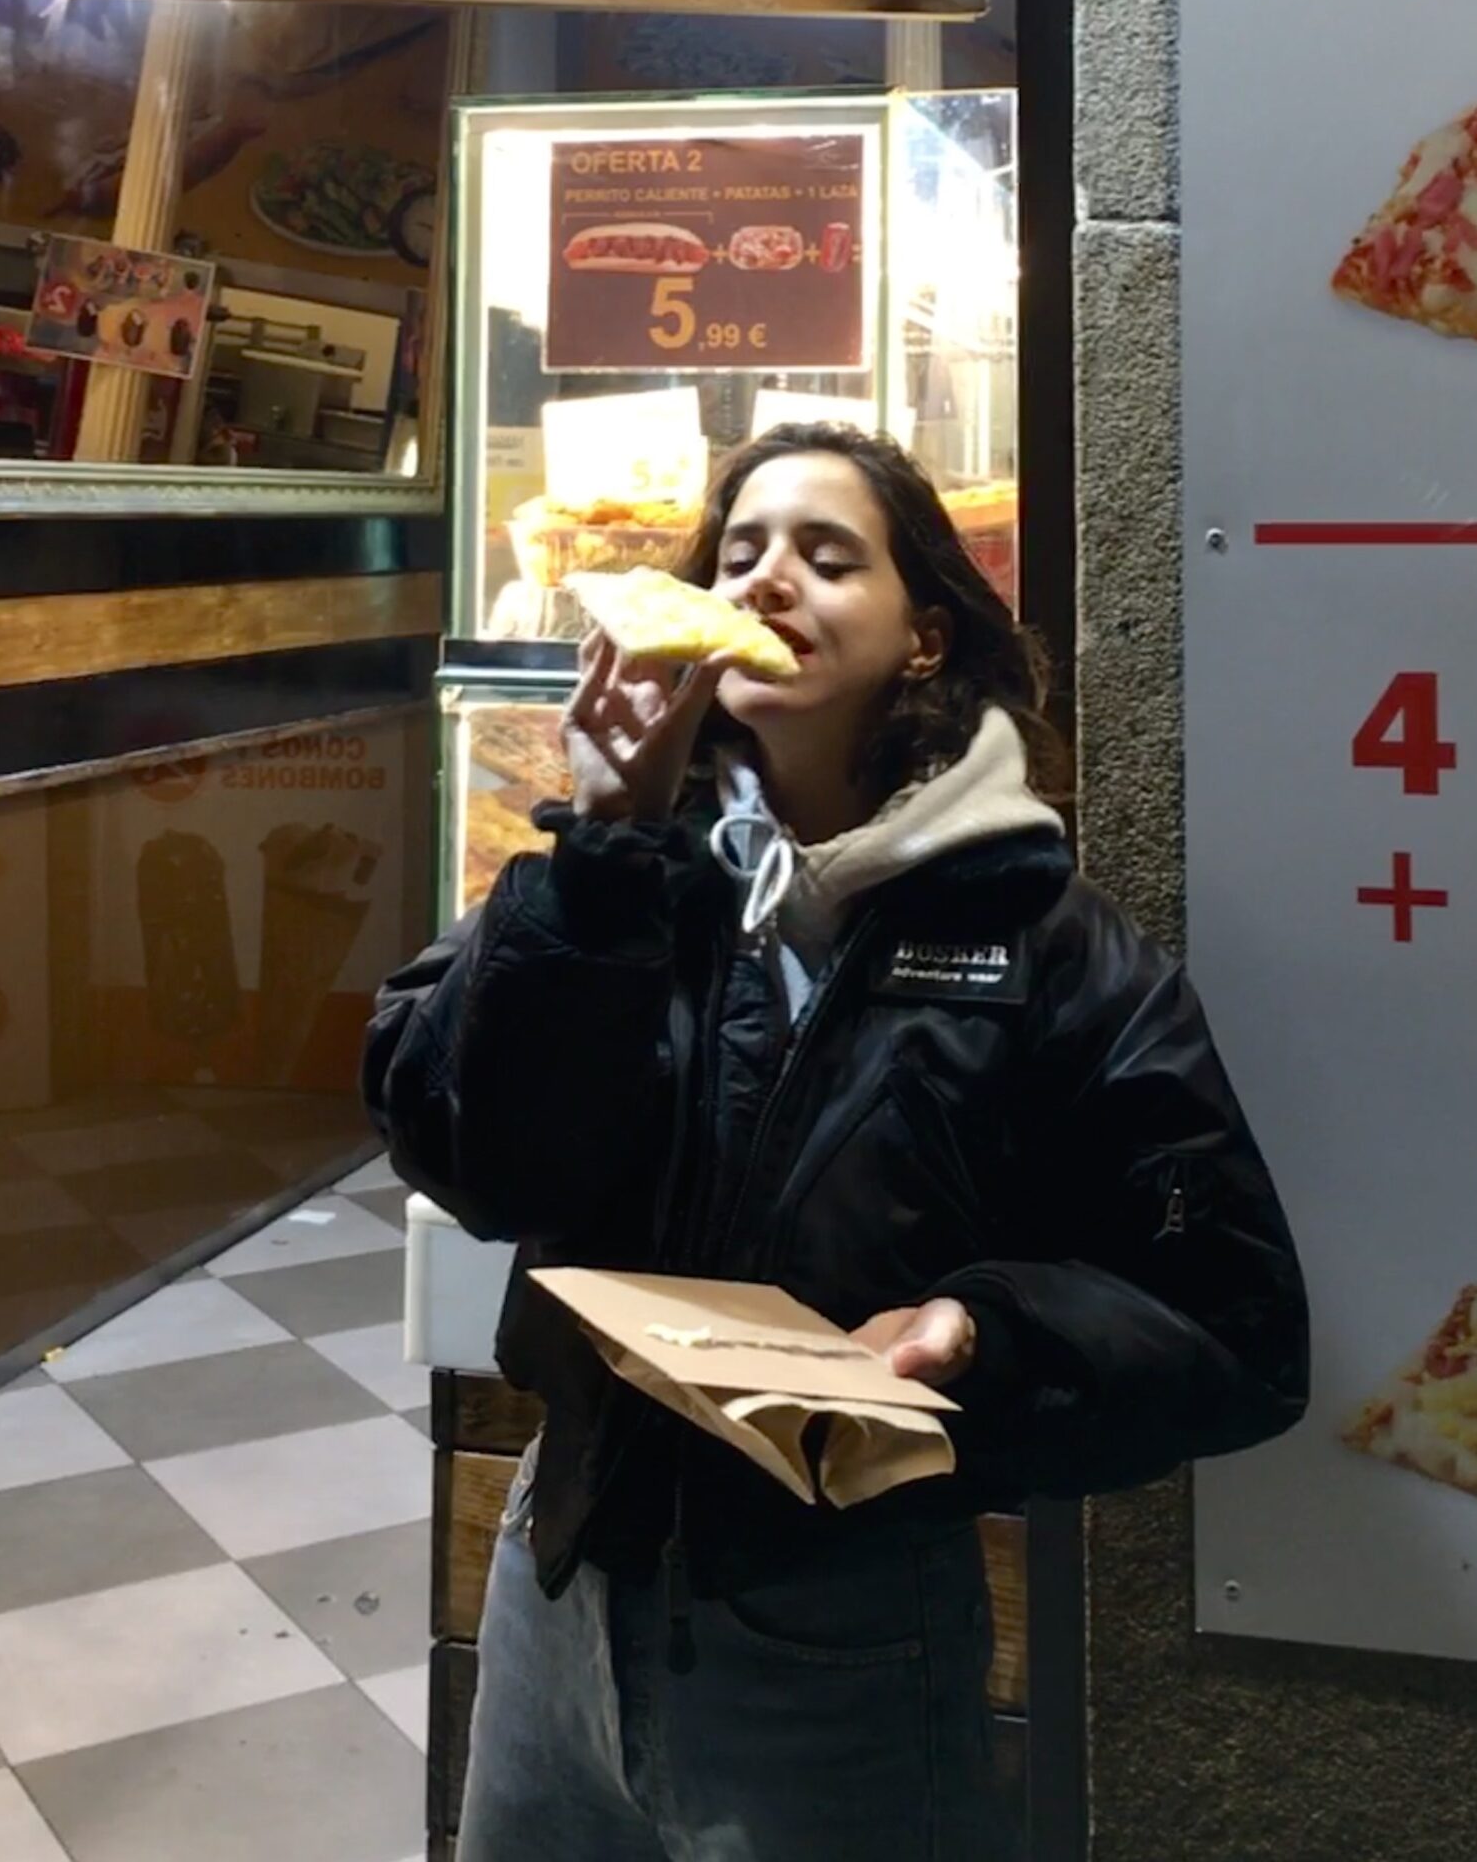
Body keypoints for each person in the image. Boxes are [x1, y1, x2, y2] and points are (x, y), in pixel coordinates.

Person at [365, 425, 1308, 1862]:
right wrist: (605, 856)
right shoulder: (624, 872)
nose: (769, 579)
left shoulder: (1039, 935)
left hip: (843, 1634)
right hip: (559, 1583)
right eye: (740, 552)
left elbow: (1233, 1324)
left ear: (926, 634)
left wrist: (982, 1332)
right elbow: (484, 1163)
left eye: (826, 553)